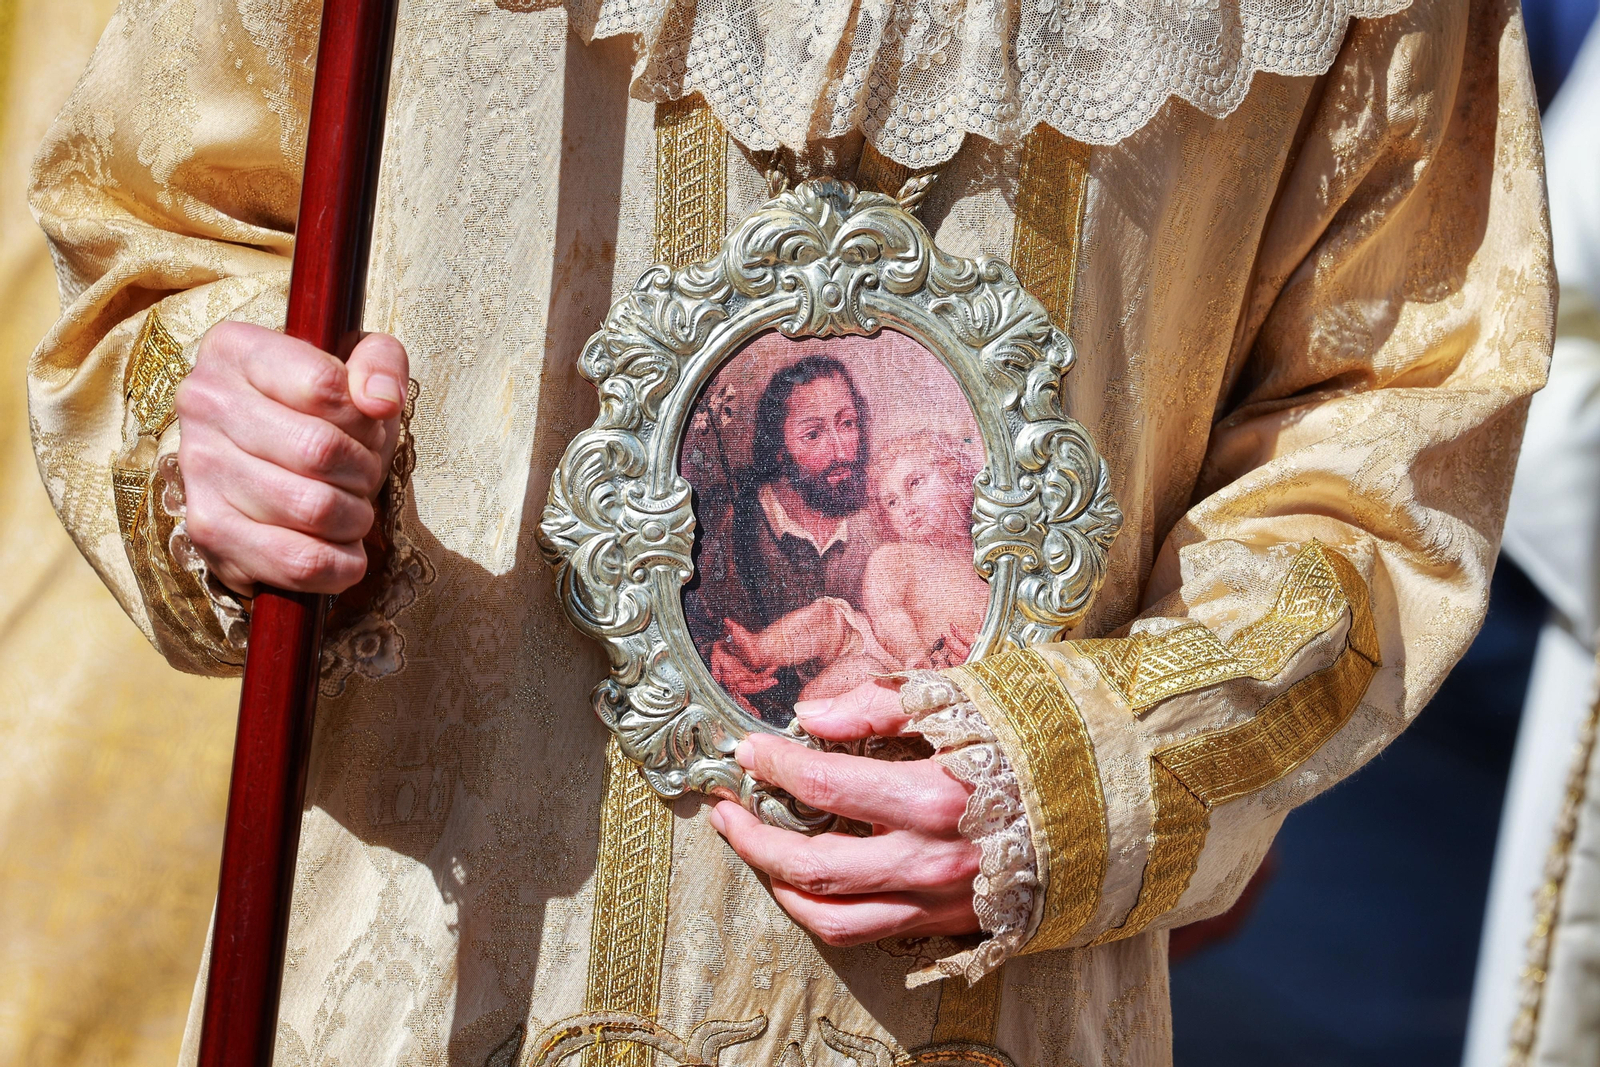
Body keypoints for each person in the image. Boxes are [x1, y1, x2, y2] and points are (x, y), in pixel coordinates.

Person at [25, 0, 1552, 1061]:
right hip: (422, 977)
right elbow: (160, 219)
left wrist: (1102, 758)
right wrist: (218, 430)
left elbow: (1390, 411)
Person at [686, 355, 882, 722]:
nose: (841, 452)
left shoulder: (878, 519)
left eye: (848, 424)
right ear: (778, 447)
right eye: (814, 434)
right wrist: (713, 654)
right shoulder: (731, 519)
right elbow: (684, 615)